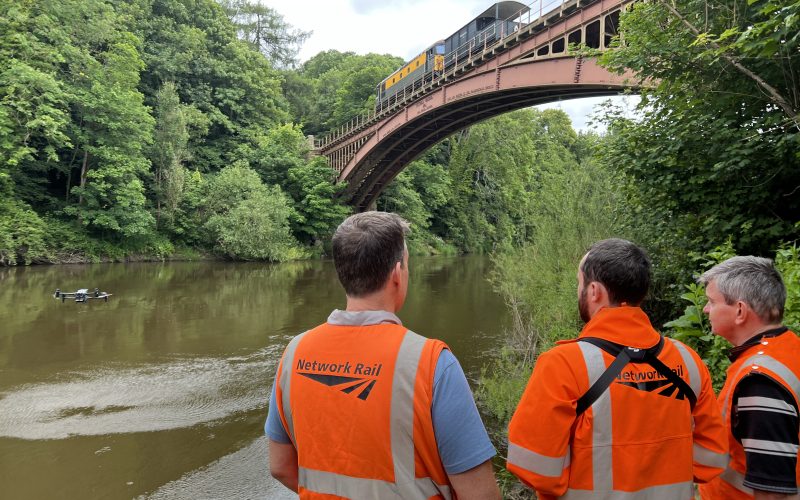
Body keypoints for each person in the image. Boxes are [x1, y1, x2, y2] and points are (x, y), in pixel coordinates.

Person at [265, 211, 501, 500]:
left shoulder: (294, 353)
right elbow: (480, 495)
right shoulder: (431, 362)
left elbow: (280, 466)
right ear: (396, 275)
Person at [507, 238, 728, 498]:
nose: (578, 290)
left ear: (594, 291)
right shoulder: (688, 362)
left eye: (579, 284)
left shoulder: (563, 364)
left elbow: (534, 468)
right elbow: (711, 460)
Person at [698, 256, 800, 499]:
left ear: (740, 311)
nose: (706, 309)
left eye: (712, 301)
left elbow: (772, 490)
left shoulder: (760, 379)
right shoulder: (788, 350)